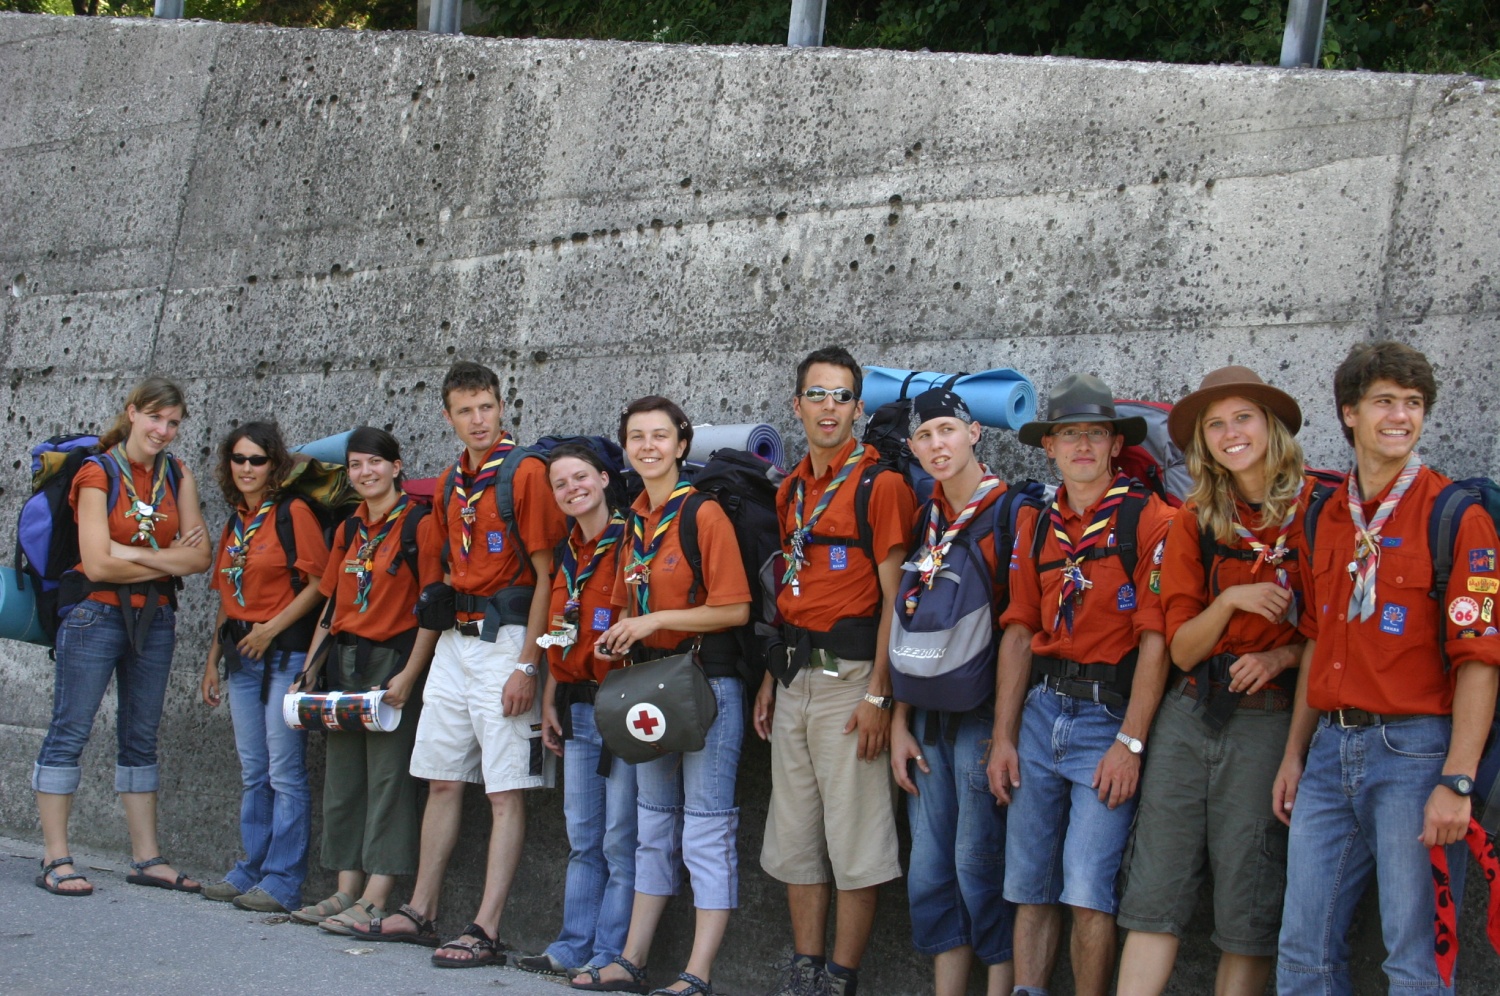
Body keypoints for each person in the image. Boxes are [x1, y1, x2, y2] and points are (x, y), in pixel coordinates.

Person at [1273, 341, 1500, 995]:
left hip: (1415, 755)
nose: (1401, 416)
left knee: (1415, 961)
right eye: (1384, 402)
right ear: (1349, 413)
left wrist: (1457, 780)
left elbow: (1480, 660)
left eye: (1413, 403)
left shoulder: (1457, 516)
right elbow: (1315, 639)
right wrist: (1294, 754)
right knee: (1302, 957)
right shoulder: (1322, 516)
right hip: (1326, 754)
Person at [348, 361, 566, 967]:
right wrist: (422, 657)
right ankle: (422, 909)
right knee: (442, 777)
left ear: (502, 408)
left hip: (508, 640)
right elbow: (440, 574)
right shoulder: (448, 483)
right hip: (455, 641)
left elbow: (550, 575)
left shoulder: (524, 473)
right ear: (448, 417)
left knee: (505, 790)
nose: (478, 420)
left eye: (487, 408)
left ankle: (486, 927)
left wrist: (529, 664)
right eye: (466, 411)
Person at [1115, 367, 1311, 996]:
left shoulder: (1319, 511)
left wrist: (1281, 658)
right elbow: (1181, 646)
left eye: (1243, 417)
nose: (1231, 434)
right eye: (1216, 424)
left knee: (1249, 904)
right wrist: (1229, 603)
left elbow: (1336, 631)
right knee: (1154, 892)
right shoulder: (1193, 520)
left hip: (1269, 717)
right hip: (1190, 710)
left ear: (1271, 427)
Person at [987, 373, 1174, 996]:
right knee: (1029, 886)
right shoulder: (1037, 525)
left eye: (1096, 433)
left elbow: (1157, 640)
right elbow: (1017, 634)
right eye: (1070, 435)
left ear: (1116, 444)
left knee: (1089, 890)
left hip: (1106, 718)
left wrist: (1133, 742)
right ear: (1050, 448)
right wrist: (1003, 737)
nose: (1083, 446)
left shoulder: (1149, 519)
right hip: (1041, 713)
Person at [569, 395, 751, 996]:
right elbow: (628, 601)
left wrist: (653, 622)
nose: (648, 446)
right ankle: (632, 958)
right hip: (649, 686)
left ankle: (697, 974)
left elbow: (734, 607)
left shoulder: (702, 515)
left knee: (704, 828)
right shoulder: (634, 524)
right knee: (652, 826)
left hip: (704, 686)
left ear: (681, 444)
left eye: (660, 436)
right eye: (636, 437)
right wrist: (621, 634)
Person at [756, 347, 916, 996]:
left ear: (858, 407)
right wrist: (771, 676)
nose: (829, 408)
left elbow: (897, 603)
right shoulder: (792, 487)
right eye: (817, 395)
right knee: (796, 840)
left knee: (856, 845)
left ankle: (841, 979)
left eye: (842, 396)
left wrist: (881, 695)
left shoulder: (882, 486)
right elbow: (791, 594)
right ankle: (806, 970)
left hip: (853, 683)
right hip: (794, 680)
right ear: (796, 406)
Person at [32, 376, 212, 897]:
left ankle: (146, 857)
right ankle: (55, 857)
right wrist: (162, 560)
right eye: (155, 417)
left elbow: (200, 559)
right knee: (70, 730)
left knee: (140, 736)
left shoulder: (178, 473)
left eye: (174, 422)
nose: (163, 430)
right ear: (132, 413)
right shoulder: (96, 471)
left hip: (156, 619)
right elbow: (93, 563)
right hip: (94, 615)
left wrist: (131, 555)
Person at [288, 427, 441, 934]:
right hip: (343, 665)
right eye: (355, 465)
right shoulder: (349, 528)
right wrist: (307, 671)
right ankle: (345, 888)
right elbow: (331, 607)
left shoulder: (420, 525)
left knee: (388, 780)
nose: (365, 473)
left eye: (375, 463)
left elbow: (432, 611)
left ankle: (377, 895)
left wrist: (409, 676)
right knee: (343, 780)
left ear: (397, 467)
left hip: (391, 665)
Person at [890, 388, 1016, 996]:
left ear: (975, 434)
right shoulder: (925, 517)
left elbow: (1023, 633)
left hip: (983, 719)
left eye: (947, 430)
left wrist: (1007, 734)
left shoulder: (1014, 513)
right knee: (930, 871)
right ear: (913, 448)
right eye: (925, 436)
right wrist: (897, 722)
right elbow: (915, 622)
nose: (938, 445)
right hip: (925, 721)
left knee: (979, 864)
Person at [515, 444, 637, 977]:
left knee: (620, 838)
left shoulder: (633, 540)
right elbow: (559, 633)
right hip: (576, 703)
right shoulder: (567, 552)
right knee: (583, 835)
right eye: (560, 484)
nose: (571, 490)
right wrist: (549, 696)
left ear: (605, 478)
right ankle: (570, 946)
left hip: (624, 702)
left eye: (580, 477)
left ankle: (610, 953)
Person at [198, 422, 329, 913]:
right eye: (239, 459)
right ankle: (250, 868)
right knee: (254, 770)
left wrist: (271, 629)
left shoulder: (293, 513)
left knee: (285, 771)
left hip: (284, 653)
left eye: (257, 459)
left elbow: (321, 584)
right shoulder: (235, 520)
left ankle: (282, 880)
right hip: (240, 656)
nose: (247, 468)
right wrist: (211, 661)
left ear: (274, 464)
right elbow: (225, 598)